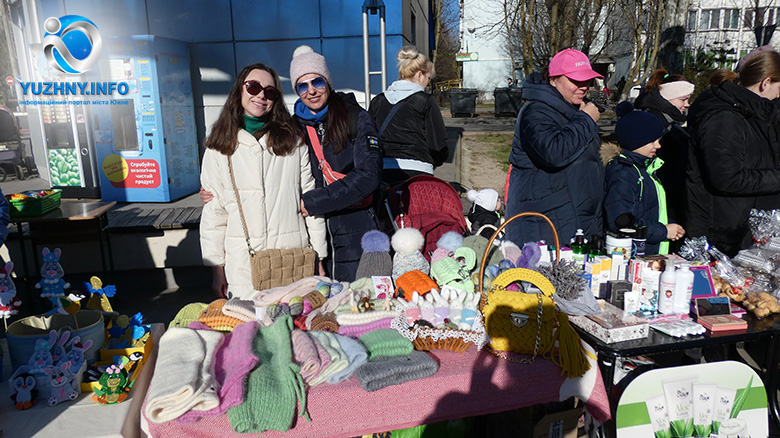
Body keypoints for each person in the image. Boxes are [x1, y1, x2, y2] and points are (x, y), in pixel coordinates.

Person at [199, 63, 327, 299]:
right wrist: (217, 268)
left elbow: (311, 202)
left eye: (269, 92)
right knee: (249, 330)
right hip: (243, 264)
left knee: (295, 327)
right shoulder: (219, 146)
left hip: (291, 260)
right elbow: (215, 213)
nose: (260, 95)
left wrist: (318, 256)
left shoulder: (293, 141)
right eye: (253, 87)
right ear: (239, 90)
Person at [290, 45, 383, 282]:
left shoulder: (355, 117)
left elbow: (369, 175)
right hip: (312, 233)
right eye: (303, 85)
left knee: (361, 305)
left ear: (328, 82)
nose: (311, 91)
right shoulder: (289, 128)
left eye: (317, 82)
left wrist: (315, 201)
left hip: (357, 227)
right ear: (296, 90)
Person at [504, 48, 604, 246]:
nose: (583, 87)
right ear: (553, 80)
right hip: (546, 225)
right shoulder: (536, 111)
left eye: (587, 80)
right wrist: (586, 120)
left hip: (576, 221)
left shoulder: (575, 110)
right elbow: (553, 153)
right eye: (575, 80)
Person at [686, 50, 780, 257]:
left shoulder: (756, 114)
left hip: (744, 230)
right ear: (765, 83)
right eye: (779, 87)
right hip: (722, 235)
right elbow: (726, 178)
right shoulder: (724, 118)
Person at [604, 102, 685, 255]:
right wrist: (663, 231)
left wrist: (669, 224)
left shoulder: (646, 169)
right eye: (652, 141)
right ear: (636, 140)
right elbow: (621, 221)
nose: (659, 145)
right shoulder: (624, 173)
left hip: (650, 253)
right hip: (633, 255)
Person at [368, 46, 448, 188]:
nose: (427, 84)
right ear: (419, 75)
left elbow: (367, 139)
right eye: (428, 78)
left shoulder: (378, 101)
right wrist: (437, 160)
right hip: (418, 173)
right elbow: (437, 145)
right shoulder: (425, 101)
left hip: (383, 172)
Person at [633, 68, 695, 228]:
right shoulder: (655, 126)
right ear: (669, 98)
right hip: (657, 205)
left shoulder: (671, 126)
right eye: (683, 99)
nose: (687, 105)